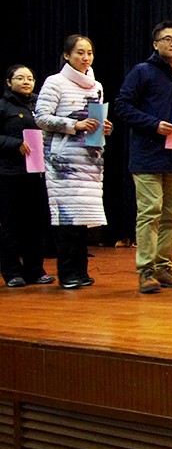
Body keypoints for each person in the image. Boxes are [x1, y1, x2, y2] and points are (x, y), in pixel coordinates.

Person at [115, 21, 172, 294]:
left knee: (170, 216)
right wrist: (153, 124)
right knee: (150, 211)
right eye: (167, 39)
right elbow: (122, 106)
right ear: (156, 44)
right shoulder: (142, 71)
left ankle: (164, 267)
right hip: (147, 155)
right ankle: (146, 270)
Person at [34, 35, 114, 289]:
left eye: (89, 52)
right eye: (80, 52)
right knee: (67, 220)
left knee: (83, 220)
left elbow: (94, 121)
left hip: (90, 161)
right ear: (67, 55)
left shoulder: (96, 85)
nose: (86, 57)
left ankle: (80, 270)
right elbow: (41, 118)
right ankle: (67, 273)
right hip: (63, 163)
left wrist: (103, 128)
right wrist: (75, 125)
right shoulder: (54, 82)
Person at [0, 65, 54, 288]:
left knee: (36, 223)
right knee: (11, 224)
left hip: (37, 172)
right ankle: (12, 271)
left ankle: (35, 270)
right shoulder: (3, 106)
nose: (26, 82)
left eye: (30, 78)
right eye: (20, 78)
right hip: (10, 173)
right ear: (8, 82)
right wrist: (15, 144)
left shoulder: (38, 105)